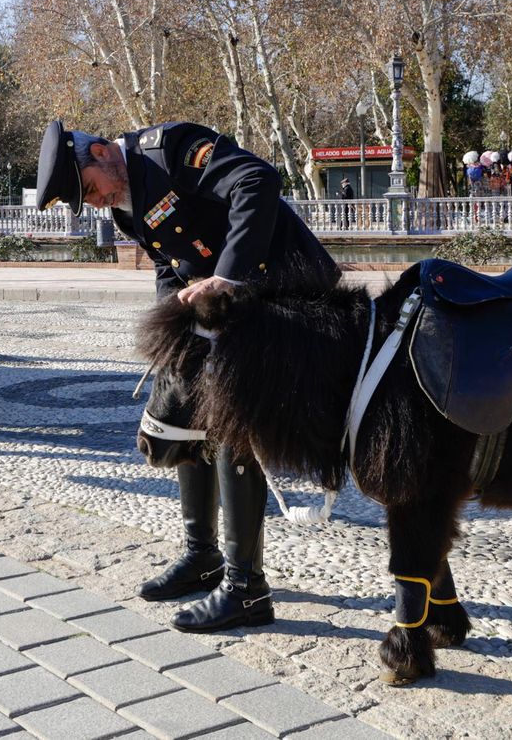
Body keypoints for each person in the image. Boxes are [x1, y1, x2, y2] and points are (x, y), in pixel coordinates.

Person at [36, 118, 340, 633]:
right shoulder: (125, 199)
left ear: (105, 153)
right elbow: (167, 263)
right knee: (189, 406)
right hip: (230, 311)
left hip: (288, 293)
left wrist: (229, 273)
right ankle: (203, 555)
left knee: (229, 414)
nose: (94, 203)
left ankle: (246, 589)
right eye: (86, 199)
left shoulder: (172, 150)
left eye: (89, 189)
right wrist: (172, 320)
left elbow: (256, 181)